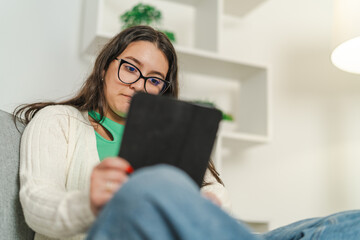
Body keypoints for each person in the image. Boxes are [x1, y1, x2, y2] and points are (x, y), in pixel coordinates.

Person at [14, 25, 360, 240]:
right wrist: (89, 203)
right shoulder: (58, 121)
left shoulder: (172, 135)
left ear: (162, 89)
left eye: (153, 80)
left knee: (345, 226)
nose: (137, 85)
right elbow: (36, 205)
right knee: (151, 183)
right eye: (130, 68)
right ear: (105, 66)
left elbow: (215, 194)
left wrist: (208, 204)